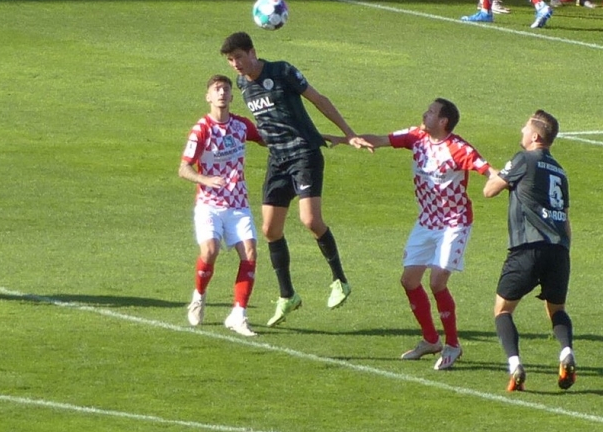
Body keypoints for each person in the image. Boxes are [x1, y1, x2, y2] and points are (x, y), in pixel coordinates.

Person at [220, 31, 370, 326]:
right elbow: (273, 123)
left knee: (310, 221)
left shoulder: (282, 71)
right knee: (270, 229)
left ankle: (340, 280)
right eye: (230, 60)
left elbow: (319, 100)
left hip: (304, 154)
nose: (235, 64)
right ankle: (287, 295)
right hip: (277, 160)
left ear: (252, 53)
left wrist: (349, 134)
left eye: (238, 57)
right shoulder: (242, 84)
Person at [349, 97, 492, 370]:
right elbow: (381, 139)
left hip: (454, 223)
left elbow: (489, 172)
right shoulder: (416, 137)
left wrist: (508, 182)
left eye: (431, 112)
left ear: (443, 121)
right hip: (426, 222)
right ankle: (430, 340)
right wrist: (351, 138)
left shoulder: (459, 149)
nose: (424, 114)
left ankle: (453, 345)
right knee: (409, 280)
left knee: (437, 282)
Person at [482, 110, 574, 392]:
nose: (521, 131)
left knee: (502, 310)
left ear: (535, 136)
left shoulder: (523, 158)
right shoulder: (560, 171)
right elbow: (566, 219)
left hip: (528, 247)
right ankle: (566, 352)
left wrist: (491, 172)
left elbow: (489, 191)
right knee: (556, 309)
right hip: (560, 251)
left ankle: (515, 366)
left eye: (525, 128)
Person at [179, 74, 267, 336]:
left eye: (226, 89)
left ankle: (238, 315)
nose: (222, 93)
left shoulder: (241, 126)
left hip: (238, 204)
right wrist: (205, 179)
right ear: (208, 96)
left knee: (250, 253)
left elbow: (266, 138)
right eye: (217, 89)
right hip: (209, 204)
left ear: (231, 96)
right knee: (209, 251)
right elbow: (184, 168)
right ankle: (199, 296)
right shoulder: (201, 129)